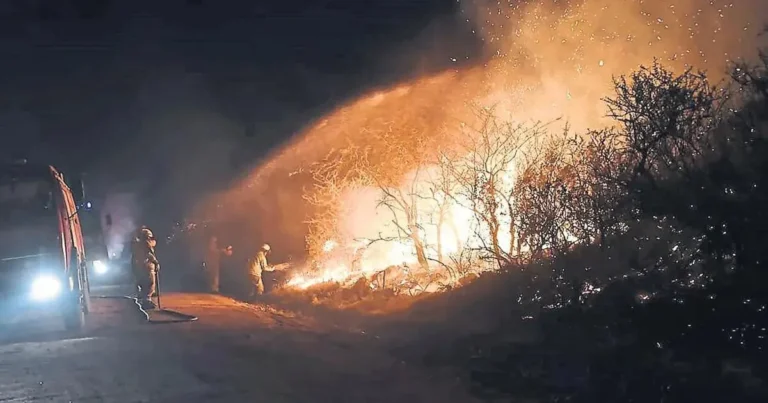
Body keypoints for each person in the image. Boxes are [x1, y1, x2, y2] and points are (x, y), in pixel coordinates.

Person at [131, 226, 159, 309]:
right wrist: (156, 262)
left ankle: (143, 300)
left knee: (143, 284)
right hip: (146, 268)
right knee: (149, 284)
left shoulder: (137, 244)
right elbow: (149, 255)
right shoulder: (145, 244)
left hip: (139, 268)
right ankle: (146, 301)